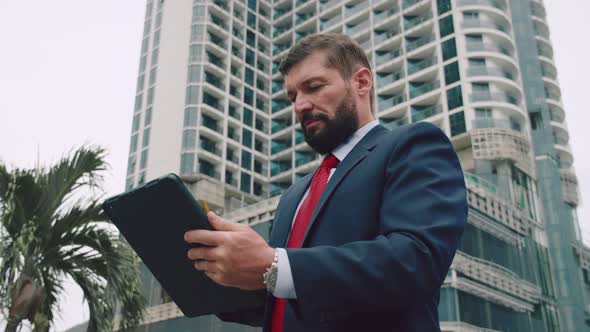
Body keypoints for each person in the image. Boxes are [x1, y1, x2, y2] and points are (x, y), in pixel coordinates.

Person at [184, 32, 467, 332]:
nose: (299, 105)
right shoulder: (293, 197)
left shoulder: (413, 145)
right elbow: (282, 301)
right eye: (293, 96)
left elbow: (415, 262)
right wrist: (220, 272)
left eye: (314, 87)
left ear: (361, 82)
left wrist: (273, 264)